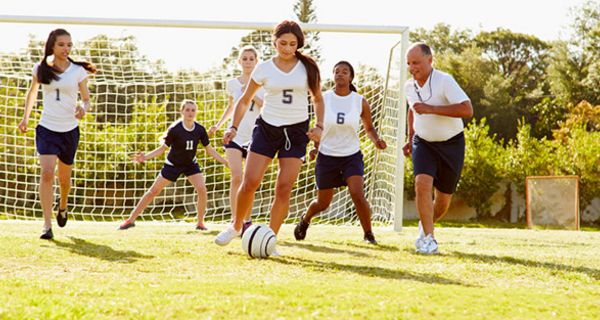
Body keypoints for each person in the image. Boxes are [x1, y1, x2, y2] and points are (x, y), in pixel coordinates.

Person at [215, 20, 324, 256]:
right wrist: (233, 127)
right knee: (250, 180)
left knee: (284, 187)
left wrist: (319, 126)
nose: (287, 48)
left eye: (292, 44)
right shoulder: (263, 68)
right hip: (267, 128)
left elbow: (317, 99)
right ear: (274, 42)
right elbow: (244, 100)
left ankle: (270, 239)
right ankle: (236, 226)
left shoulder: (308, 68)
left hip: (296, 133)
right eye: (282, 43)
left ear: (299, 44)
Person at [293, 61, 387, 245]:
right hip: (327, 156)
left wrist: (377, 140)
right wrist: (314, 147)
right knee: (323, 203)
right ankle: (305, 219)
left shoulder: (359, 101)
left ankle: (368, 234)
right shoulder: (323, 99)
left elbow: (369, 128)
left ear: (351, 77)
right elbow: (318, 126)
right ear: (333, 75)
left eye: (344, 72)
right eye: (337, 71)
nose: (340, 74)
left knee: (357, 194)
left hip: (351, 156)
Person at [18, 28, 96, 240]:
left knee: (64, 180)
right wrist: (25, 117)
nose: (66, 48)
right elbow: (32, 92)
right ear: (52, 45)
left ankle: (63, 206)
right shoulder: (41, 69)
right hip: (46, 129)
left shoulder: (78, 71)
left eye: (69, 45)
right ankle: (46, 225)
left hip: (69, 131)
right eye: (62, 44)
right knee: (46, 173)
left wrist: (83, 108)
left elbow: (86, 99)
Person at [402, 43, 473, 254]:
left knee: (442, 200)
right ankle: (430, 240)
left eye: (416, 62)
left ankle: (425, 228)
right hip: (423, 143)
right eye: (408, 64)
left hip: (452, 144)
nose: (412, 67)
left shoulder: (445, 81)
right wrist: (410, 137)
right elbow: (413, 111)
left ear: (430, 60)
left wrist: (432, 109)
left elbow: (467, 109)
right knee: (422, 184)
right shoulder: (409, 87)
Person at [118, 100, 228, 231]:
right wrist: (145, 157)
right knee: (153, 191)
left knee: (202, 189)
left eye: (193, 110)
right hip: (173, 165)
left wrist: (226, 162)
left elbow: (209, 150)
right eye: (187, 110)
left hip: (190, 164)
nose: (190, 113)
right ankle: (130, 220)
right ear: (182, 111)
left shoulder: (200, 129)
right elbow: (161, 149)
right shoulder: (175, 129)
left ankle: (200, 223)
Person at [208, 46, 264, 233]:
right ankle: (235, 221)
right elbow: (231, 107)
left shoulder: (262, 84)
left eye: (251, 59)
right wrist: (218, 124)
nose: (248, 62)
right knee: (236, 177)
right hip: (235, 135)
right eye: (245, 59)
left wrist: (251, 94)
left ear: (256, 62)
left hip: (254, 136)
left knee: (249, 180)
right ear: (239, 61)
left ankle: (247, 220)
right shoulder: (232, 84)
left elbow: (264, 106)